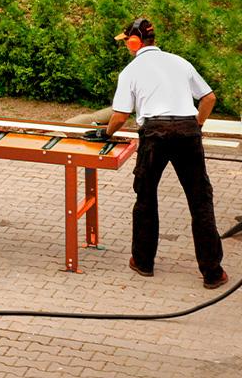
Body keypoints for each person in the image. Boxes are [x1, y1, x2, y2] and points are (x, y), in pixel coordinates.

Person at [83, 18, 228, 289]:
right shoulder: (180, 62)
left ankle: (143, 262)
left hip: (154, 134)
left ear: (134, 42)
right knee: (200, 201)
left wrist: (106, 133)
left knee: (146, 197)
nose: (126, 46)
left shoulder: (131, 71)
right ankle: (212, 272)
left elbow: (120, 116)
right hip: (187, 131)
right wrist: (196, 125)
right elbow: (209, 98)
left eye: (126, 41)